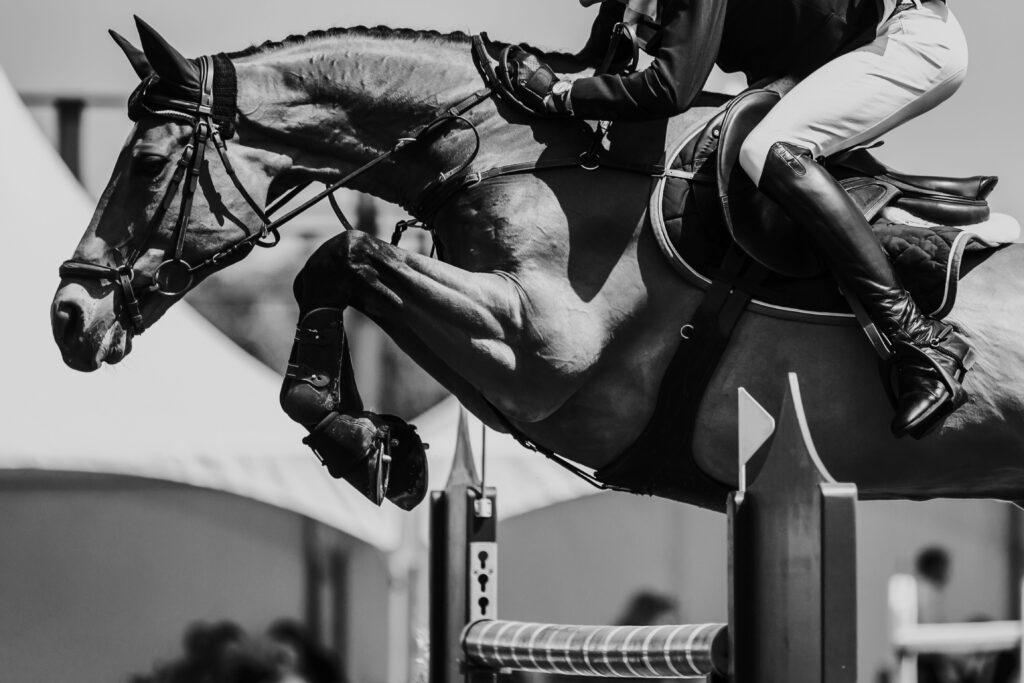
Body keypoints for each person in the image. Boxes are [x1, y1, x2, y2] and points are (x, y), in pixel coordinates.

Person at [505, 0, 974, 438]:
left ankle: (921, 340)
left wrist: (558, 97)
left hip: (909, 44)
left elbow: (671, 87)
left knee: (769, 149)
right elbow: (593, 71)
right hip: (833, 58)